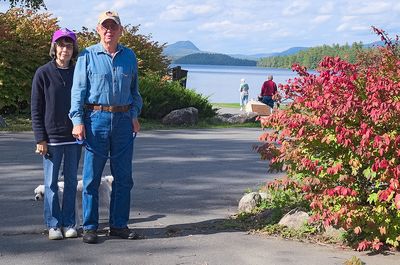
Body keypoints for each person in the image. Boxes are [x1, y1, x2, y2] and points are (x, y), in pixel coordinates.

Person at [69, 10, 143, 244]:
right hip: (95, 120)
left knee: (124, 178)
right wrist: (78, 121)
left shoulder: (129, 56)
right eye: (105, 26)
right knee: (92, 178)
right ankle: (90, 227)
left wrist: (134, 114)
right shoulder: (88, 56)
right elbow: (77, 92)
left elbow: (135, 93)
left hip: (122, 122)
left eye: (114, 26)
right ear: (99, 30)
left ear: (120, 30)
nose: (109, 30)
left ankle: (118, 225)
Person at [31, 28, 81, 240]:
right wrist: (40, 138)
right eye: (61, 45)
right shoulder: (43, 73)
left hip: (74, 137)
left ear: (73, 49)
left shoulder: (79, 71)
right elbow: (36, 108)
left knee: (70, 183)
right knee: (50, 184)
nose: (65, 49)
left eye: (69, 46)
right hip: (51, 139)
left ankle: (69, 223)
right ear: (54, 48)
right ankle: (53, 224)